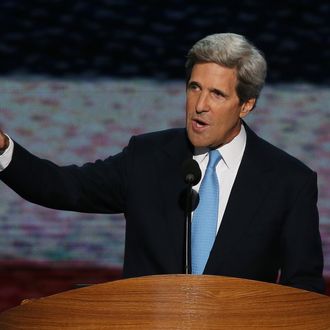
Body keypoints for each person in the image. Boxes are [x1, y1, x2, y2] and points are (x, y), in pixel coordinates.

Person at [0, 33, 325, 293]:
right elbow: (64, 187)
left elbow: (305, 289)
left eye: (217, 94)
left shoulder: (289, 181)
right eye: (194, 88)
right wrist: (4, 150)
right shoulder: (147, 157)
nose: (200, 105)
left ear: (246, 105)